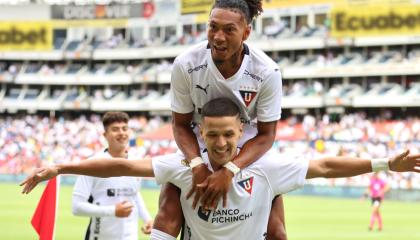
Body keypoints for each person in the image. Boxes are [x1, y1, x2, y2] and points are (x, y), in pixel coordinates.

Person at [21, 98, 420, 240]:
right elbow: (121, 164)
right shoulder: (183, 165)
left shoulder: (266, 165)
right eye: (213, 135)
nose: (222, 143)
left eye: (229, 135)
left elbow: (325, 165)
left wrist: (386, 162)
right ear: (202, 134)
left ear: (241, 130)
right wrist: (58, 166)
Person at [158, 0, 286, 239]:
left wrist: (229, 170)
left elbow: (267, 135)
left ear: (247, 32)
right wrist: (196, 165)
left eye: (229, 30)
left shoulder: (267, 71)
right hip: (198, 146)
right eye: (213, 27)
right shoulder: (186, 64)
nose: (218, 37)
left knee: (277, 232)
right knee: (167, 210)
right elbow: (181, 124)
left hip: (248, 151)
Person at [71, 111, 153, 240]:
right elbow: (77, 207)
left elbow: (134, 195)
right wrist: (113, 211)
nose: (121, 133)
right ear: (105, 134)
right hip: (99, 236)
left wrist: (148, 219)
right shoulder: (92, 164)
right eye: (115, 129)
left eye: (125, 128)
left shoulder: (136, 162)